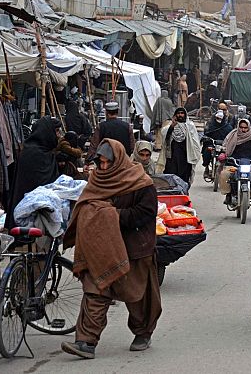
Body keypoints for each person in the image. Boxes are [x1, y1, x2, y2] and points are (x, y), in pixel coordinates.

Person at [61, 139, 161, 359]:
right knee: (95, 291)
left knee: (136, 297)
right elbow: (86, 204)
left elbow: (146, 212)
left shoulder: (140, 182)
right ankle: (85, 342)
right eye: (101, 162)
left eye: (108, 162)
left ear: (119, 160)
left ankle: (143, 332)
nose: (104, 167)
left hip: (133, 247)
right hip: (102, 248)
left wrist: (112, 215)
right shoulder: (96, 180)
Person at [5, 117, 63, 229]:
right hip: (30, 216)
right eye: (56, 131)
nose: (59, 135)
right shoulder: (35, 154)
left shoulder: (41, 151)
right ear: (47, 131)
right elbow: (40, 187)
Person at [219, 119, 251, 202]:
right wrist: (223, 154)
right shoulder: (232, 136)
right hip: (233, 163)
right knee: (224, 174)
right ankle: (228, 194)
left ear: (249, 127)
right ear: (238, 127)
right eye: (241, 127)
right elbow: (225, 148)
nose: (243, 130)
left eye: (245, 128)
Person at [156, 107, 201, 185]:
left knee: (184, 180)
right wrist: (172, 126)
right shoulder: (170, 126)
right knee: (171, 179)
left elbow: (195, 141)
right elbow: (165, 138)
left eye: (182, 113)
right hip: (172, 158)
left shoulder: (190, 126)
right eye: (178, 113)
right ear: (175, 115)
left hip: (185, 158)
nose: (180, 115)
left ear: (185, 115)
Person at [201, 111, 233, 178]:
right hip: (212, 144)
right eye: (218, 118)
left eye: (221, 118)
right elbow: (206, 134)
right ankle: (206, 167)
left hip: (223, 145)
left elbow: (231, 136)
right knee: (207, 151)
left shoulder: (228, 127)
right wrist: (206, 138)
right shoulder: (210, 125)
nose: (219, 120)